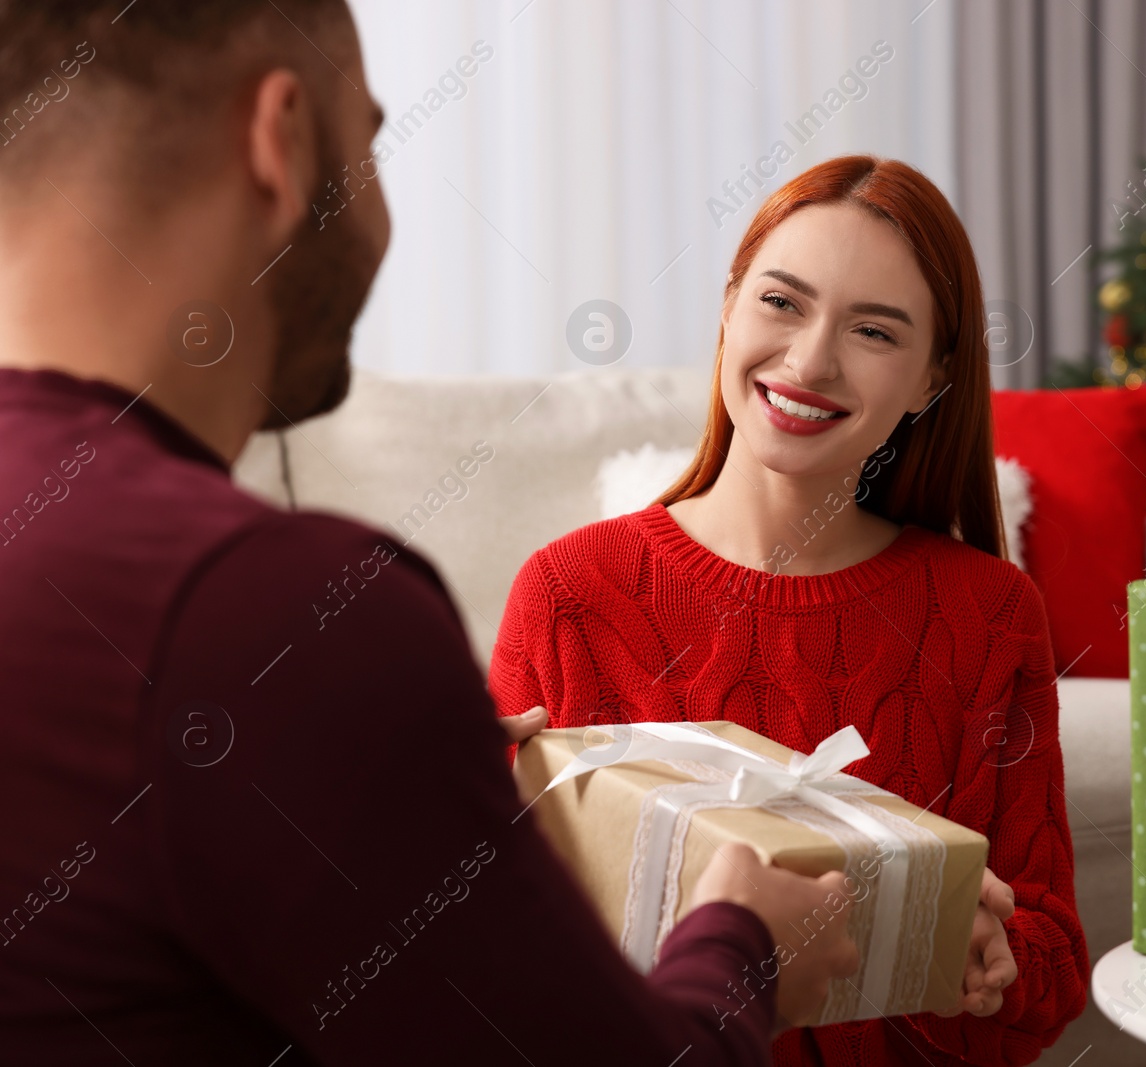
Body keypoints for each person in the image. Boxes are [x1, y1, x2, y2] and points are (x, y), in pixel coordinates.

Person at [0, 2, 858, 1063]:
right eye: (368, 137)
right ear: (282, 140)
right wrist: (745, 942)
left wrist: (401, 783)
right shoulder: (263, 611)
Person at [490, 156, 1092, 1066]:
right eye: (781, 302)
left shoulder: (990, 613)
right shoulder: (568, 593)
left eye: (875, 331)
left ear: (932, 380)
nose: (810, 360)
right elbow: (497, 972)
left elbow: (1049, 968)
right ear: (729, 307)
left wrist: (974, 960)